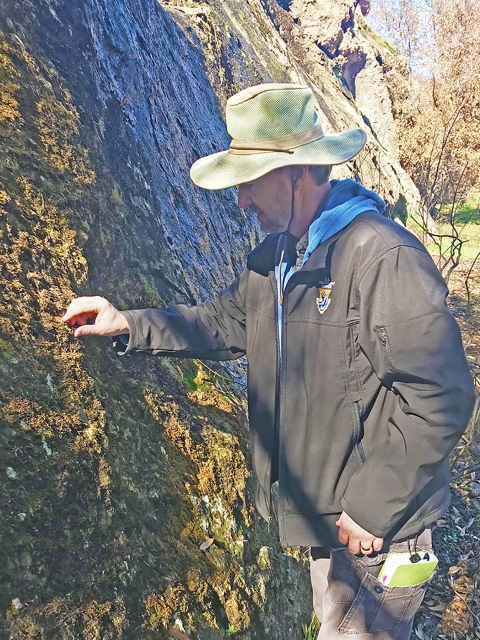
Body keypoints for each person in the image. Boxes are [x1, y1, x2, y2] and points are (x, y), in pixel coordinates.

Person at [63, 84, 475, 639]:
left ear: (299, 171)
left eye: (249, 183)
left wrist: (373, 504)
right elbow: (223, 323)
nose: (240, 202)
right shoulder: (276, 259)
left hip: (380, 534)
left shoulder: (380, 256)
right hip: (333, 526)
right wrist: (127, 324)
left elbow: (442, 393)